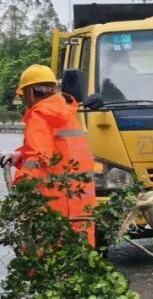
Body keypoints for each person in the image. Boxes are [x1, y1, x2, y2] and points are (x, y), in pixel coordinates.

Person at [1, 64, 96, 247]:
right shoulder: (67, 113)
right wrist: (18, 154)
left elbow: (38, 160)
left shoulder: (39, 116)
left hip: (53, 208)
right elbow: (56, 151)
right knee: (80, 262)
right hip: (80, 207)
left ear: (30, 92)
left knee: (45, 263)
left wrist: (20, 195)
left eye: (23, 95)